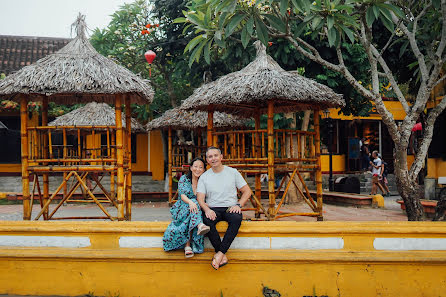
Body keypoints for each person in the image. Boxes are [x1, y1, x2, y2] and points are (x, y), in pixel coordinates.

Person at [197, 146, 252, 270]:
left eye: (216, 155)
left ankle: (220, 254)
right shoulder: (204, 176)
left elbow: (247, 191)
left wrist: (239, 205)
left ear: (221, 157)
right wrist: (207, 209)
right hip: (213, 208)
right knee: (206, 221)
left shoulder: (232, 172)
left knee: (236, 218)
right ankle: (222, 254)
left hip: (230, 207)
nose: (213, 158)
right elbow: (200, 198)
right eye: (210, 157)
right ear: (207, 160)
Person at [163, 157, 210, 258]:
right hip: (183, 205)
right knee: (193, 203)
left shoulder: (205, 181)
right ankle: (199, 225)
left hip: (196, 208)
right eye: (195, 166)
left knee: (194, 207)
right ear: (191, 168)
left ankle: (187, 246)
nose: (198, 169)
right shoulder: (184, 178)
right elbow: (183, 195)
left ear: (204, 170)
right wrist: (191, 202)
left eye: (201, 167)